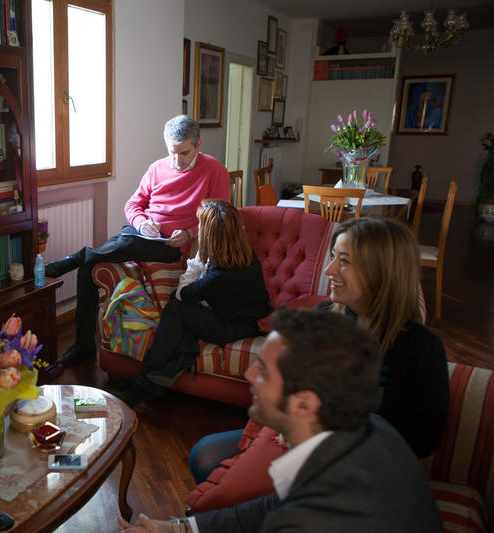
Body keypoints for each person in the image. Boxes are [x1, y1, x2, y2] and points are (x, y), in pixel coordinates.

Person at [185, 217, 449, 513]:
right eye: (333, 256)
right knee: (204, 455)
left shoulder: (421, 347)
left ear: (380, 271)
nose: (329, 270)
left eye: (343, 261)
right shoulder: (323, 317)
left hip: (363, 466)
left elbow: (423, 440)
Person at [117, 308, 443, 533]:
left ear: (304, 404)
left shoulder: (314, 517)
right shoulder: (364, 430)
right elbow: (268, 506)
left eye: (264, 371)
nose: (249, 374)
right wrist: (177, 529)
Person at [45, 115, 231, 367]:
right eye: (172, 152)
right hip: (142, 233)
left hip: (172, 245)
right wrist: (142, 222)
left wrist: (189, 233)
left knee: (122, 244)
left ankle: (77, 257)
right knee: (89, 268)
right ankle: (83, 346)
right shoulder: (157, 168)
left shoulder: (215, 170)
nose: (177, 160)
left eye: (184, 153)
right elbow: (133, 204)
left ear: (198, 145)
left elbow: (219, 216)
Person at [115, 200, 271, 407]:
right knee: (182, 316)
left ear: (210, 235)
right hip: (243, 319)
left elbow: (183, 295)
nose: (199, 231)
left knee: (176, 308)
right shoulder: (244, 254)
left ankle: (143, 385)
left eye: (201, 226)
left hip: (234, 328)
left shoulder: (221, 275)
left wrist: (197, 261)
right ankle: (174, 365)